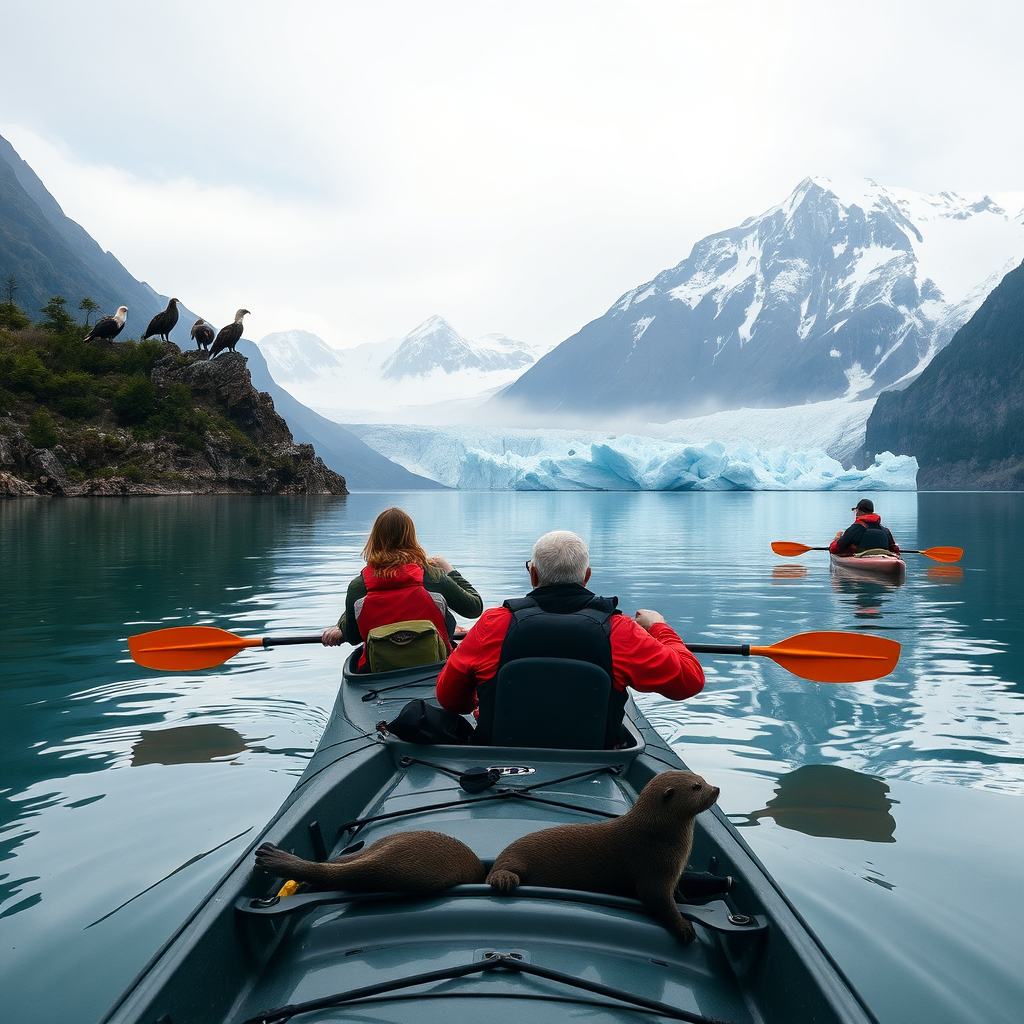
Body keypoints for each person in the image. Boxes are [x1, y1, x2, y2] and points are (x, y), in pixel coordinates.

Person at [435, 530, 704, 743]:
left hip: (501, 756)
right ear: (586, 577)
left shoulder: (493, 624)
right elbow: (689, 680)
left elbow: (450, 699)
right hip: (598, 760)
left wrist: (481, 700)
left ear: (533, 574)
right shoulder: (620, 630)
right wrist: (658, 626)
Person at [321, 507, 483, 670]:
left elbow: (353, 637)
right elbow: (474, 608)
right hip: (434, 666)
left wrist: (341, 625)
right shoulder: (434, 577)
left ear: (375, 539)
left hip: (379, 671)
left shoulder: (358, 586)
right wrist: (449, 569)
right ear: (411, 537)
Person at [829, 498, 900, 556]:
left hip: (863, 559)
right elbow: (895, 550)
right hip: (884, 558)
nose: (856, 514)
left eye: (856, 511)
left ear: (859, 511)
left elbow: (835, 549)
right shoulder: (885, 530)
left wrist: (837, 539)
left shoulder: (855, 528)